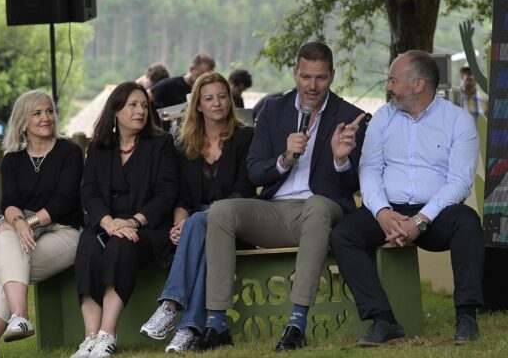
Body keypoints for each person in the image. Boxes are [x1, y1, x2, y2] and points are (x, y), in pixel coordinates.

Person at [198, 42, 367, 352]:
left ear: (332, 75)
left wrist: (340, 159)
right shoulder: (273, 110)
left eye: (320, 78)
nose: (312, 86)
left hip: (322, 208)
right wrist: (285, 158)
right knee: (221, 211)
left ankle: (296, 324)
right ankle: (216, 324)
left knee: (316, 206)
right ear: (295, 73)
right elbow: (255, 173)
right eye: (305, 77)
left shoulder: (351, 116)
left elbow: (354, 185)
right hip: (276, 210)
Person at [330, 50, 484, 347]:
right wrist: (381, 212)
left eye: (392, 80)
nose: (388, 87)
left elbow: (460, 182)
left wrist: (421, 219)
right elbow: (371, 169)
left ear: (419, 84)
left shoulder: (457, 121)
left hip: (436, 213)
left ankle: (466, 317)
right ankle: (383, 320)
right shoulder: (383, 118)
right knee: (343, 235)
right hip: (389, 208)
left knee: (467, 222)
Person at [139, 72, 255, 352]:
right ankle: (189, 328)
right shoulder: (185, 145)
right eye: (209, 98)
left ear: (230, 99)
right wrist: (181, 223)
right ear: (198, 105)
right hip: (198, 225)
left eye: (222, 96)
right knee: (203, 237)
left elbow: (244, 189)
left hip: (238, 219)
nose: (217, 103)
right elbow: (182, 199)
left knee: (205, 223)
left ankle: (170, 306)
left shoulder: (245, 138)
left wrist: (195, 221)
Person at [71, 82, 178, 358]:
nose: (140, 110)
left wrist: (133, 222)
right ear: (116, 110)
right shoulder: (98, 148)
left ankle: (107, 335)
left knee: (121, 248)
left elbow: (167, 193)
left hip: (146, 227)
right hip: (106, 224)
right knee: (88, 250)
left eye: (144, 105)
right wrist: (108, 223)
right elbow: (89, 191)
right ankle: (90, 339)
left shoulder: (161, 144)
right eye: (132, 105)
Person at [0, 90, 83, 358]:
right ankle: (20, 316)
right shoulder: (13, 159)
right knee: (5, 237)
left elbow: (62, 202)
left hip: (65, 232)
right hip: (25, 235)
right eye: (38, 113)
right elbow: (8, 202)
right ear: (23, 121)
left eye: (50, 111)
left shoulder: (70, 152)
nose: (46, 118)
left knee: (6, 269)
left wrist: (24, 223)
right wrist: (18, 223)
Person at [149, 53, 215, 131]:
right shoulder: (169, 84)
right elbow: (145, 97)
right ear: (192, 69)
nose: (201, 81)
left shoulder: (205, 91)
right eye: (199, 76)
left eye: (206, 78)